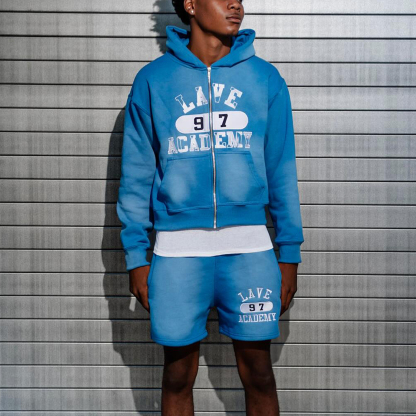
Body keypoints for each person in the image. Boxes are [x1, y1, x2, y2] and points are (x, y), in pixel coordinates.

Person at [116, 0, 304, 414]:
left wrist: (289, 252)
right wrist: (136, 256)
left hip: (250, 250)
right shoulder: (153, 80)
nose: (236, 5)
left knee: (259, 374)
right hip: (177, 254)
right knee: (177, 376)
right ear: (190, 4)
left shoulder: (265, 79)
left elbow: (282, 169)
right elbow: (136, 174)